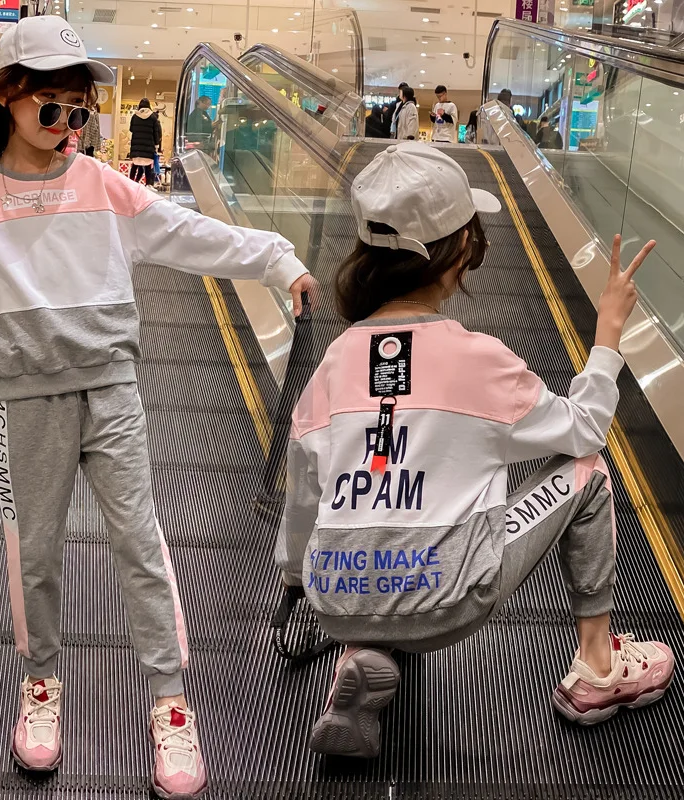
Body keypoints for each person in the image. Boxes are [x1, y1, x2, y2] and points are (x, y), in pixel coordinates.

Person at [0, 15, 317, 798]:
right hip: (26, 400)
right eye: (52, 108)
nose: (67, 126)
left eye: (78, 111)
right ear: (8, 97)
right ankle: (40, 685)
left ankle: (170, 701)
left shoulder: (102, 186)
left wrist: (279, 259)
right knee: (35, 555)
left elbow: (193, 236)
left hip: (111, 390)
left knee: (139, 543)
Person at [275, 141, 673, 759]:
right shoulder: (478, 360)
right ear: (460, 248)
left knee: (376, 500)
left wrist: (298, 579)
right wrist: (607, 337)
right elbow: (585, 430)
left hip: (337, 595)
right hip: (449, 596)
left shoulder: (335, 361)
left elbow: (304, 493)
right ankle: (599, 667)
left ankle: (363, 649)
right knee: (589, 472)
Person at [129, 98, 161, 186]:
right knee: (147, 167)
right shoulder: (153, 117)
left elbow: (131, 129)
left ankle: (130, 184)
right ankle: (148, 185)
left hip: (136, 147)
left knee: (135, 165)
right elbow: (156, 133)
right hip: (148, 147)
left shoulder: (135, 116)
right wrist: (157, 145)